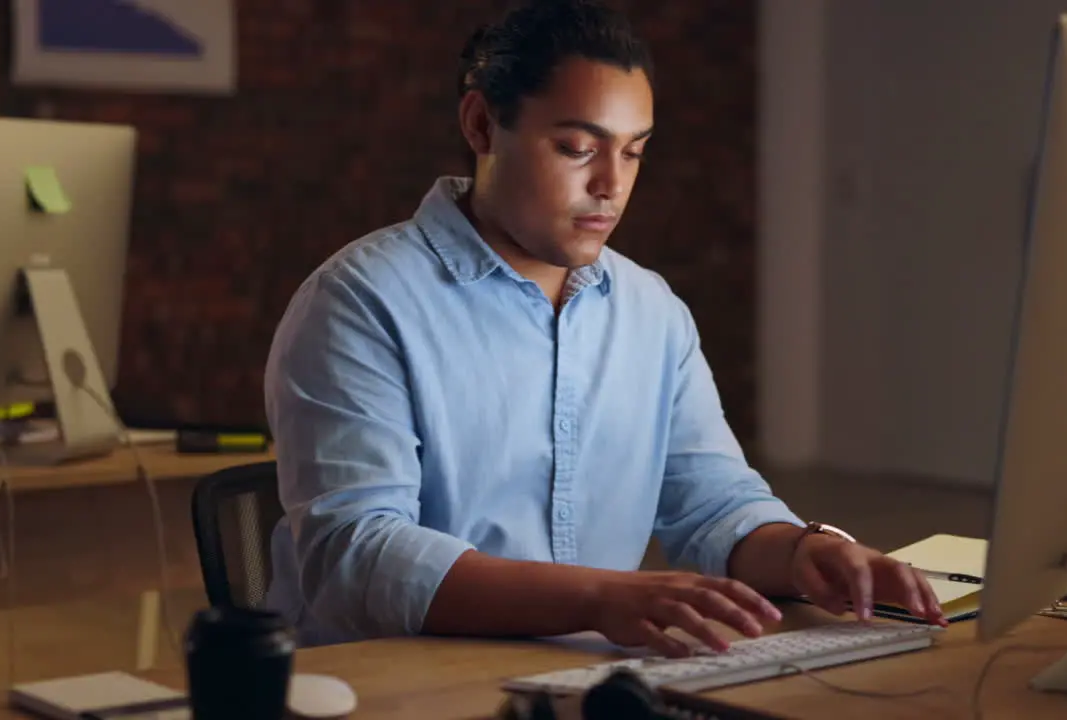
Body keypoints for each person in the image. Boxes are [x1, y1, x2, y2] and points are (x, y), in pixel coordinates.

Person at [263, 0, 944, 655]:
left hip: (578, 678)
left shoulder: (651, 311)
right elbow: (355, 555)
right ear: (480, 125)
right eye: (576, 147)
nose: (611, 186)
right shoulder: (360, 302)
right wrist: (598, 598)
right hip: (391, 689)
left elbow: (712, 506)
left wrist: (806, 552)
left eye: (634, 152)